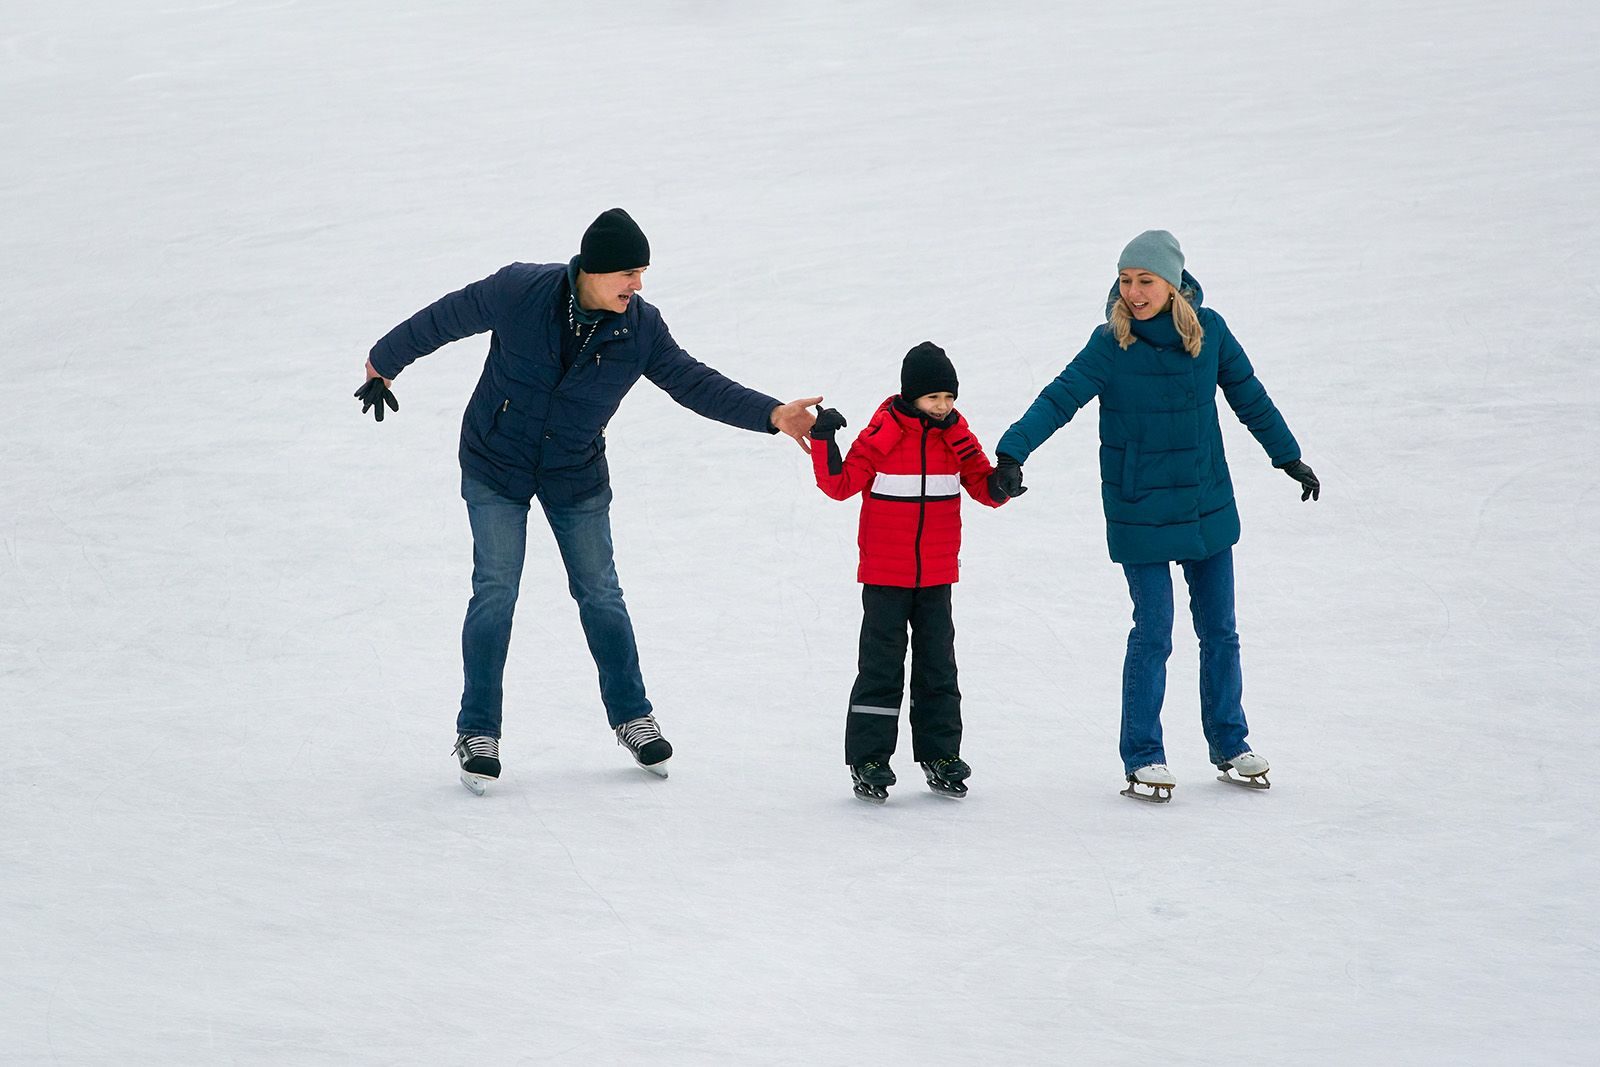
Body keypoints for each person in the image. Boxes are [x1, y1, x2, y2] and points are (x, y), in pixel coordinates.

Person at [356, 208, 821, 793]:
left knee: (600, 591)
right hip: (495, 461)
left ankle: (633, 717)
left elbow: (692, 381)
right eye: (629, 273)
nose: (639, 286)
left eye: (643, 273)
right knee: (495, 591)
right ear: (594, 271)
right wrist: (385, 361)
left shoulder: (641, 329)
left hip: (574, 473)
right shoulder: (520, 290)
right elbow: (446, 317)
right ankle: (478, 730)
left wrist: (771, 414)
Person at [991, 230, 1319, 802]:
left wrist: (1287, 456)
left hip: (1204, 501)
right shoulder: (1109, 344)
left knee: (1221, 630)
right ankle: (1143, 755)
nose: (1135, 292)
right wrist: (1013, 451)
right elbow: (1059, 397)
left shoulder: (1209, 333)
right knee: (1155, 631)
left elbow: (1250, 397)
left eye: (1146, 281)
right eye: (1126, 281)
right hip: (1139, 505)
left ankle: (1229, 741)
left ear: (1173, 284)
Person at [810, 342, 1009, 803]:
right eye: (933, 398)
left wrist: (1003, 484)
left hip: (936, 573)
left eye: (949, 398)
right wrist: (823, 439)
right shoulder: (883, 433)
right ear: (910, 396)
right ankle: (870, 758)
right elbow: (839, 486)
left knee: (939, 665)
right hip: (885, 574)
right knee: (881, 666)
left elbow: (982, 484)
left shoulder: (956, 434)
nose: (943, 407)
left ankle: (940, 754)